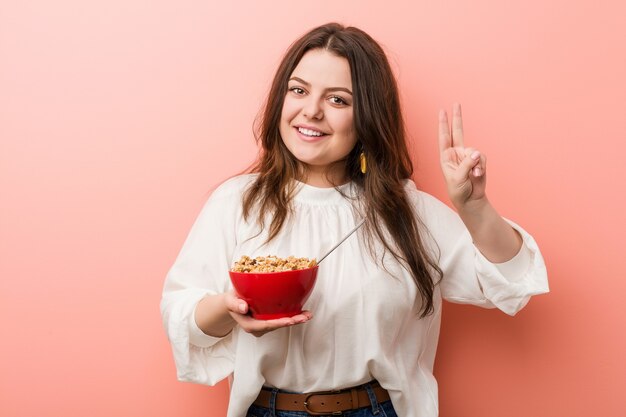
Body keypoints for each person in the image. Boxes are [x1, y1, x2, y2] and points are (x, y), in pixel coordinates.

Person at [160, 22, 549, 417]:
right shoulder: (237, 202)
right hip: (267, 409)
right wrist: (227, 309)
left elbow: (510, 281)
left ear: (367, 117)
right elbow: (181, 313)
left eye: (338, 100)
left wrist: (474, 207)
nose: (310, 110)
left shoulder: (406, 212)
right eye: (298, 90)